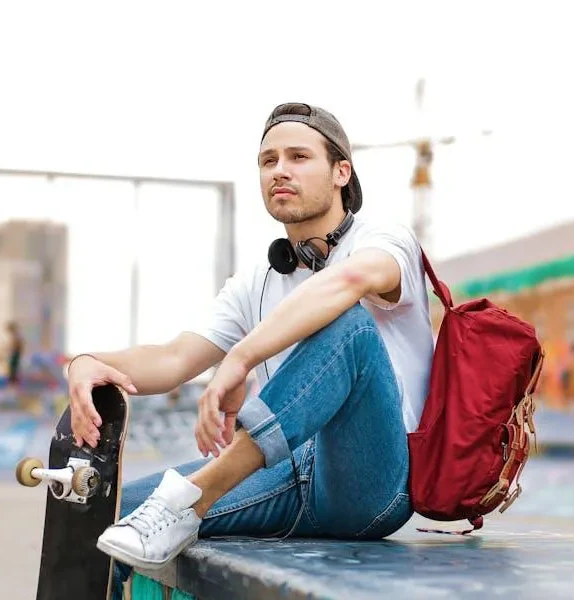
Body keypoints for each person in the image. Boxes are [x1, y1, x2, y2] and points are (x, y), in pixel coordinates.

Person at [63, 103, 434, 592]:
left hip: (368, 480)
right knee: (115, 518)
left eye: (298, 156)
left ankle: (193, 500)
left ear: (342, 171)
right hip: (281, 472)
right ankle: (174, 510)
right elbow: (174, 358)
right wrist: (90, 362)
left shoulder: (384, 241)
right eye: (268, 160)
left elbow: (349, 281)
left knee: (348, 322)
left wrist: (241, 358)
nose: (280, 170)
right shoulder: (256, 283)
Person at [5, 321, 24, 387]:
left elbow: (16, 346)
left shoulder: (16, 336)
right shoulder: (16, 335)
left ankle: (13, 384)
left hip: (15, 354)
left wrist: (9, 349)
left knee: (13, 371)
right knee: (12, 371)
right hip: (15, 354)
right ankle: (12, 383)